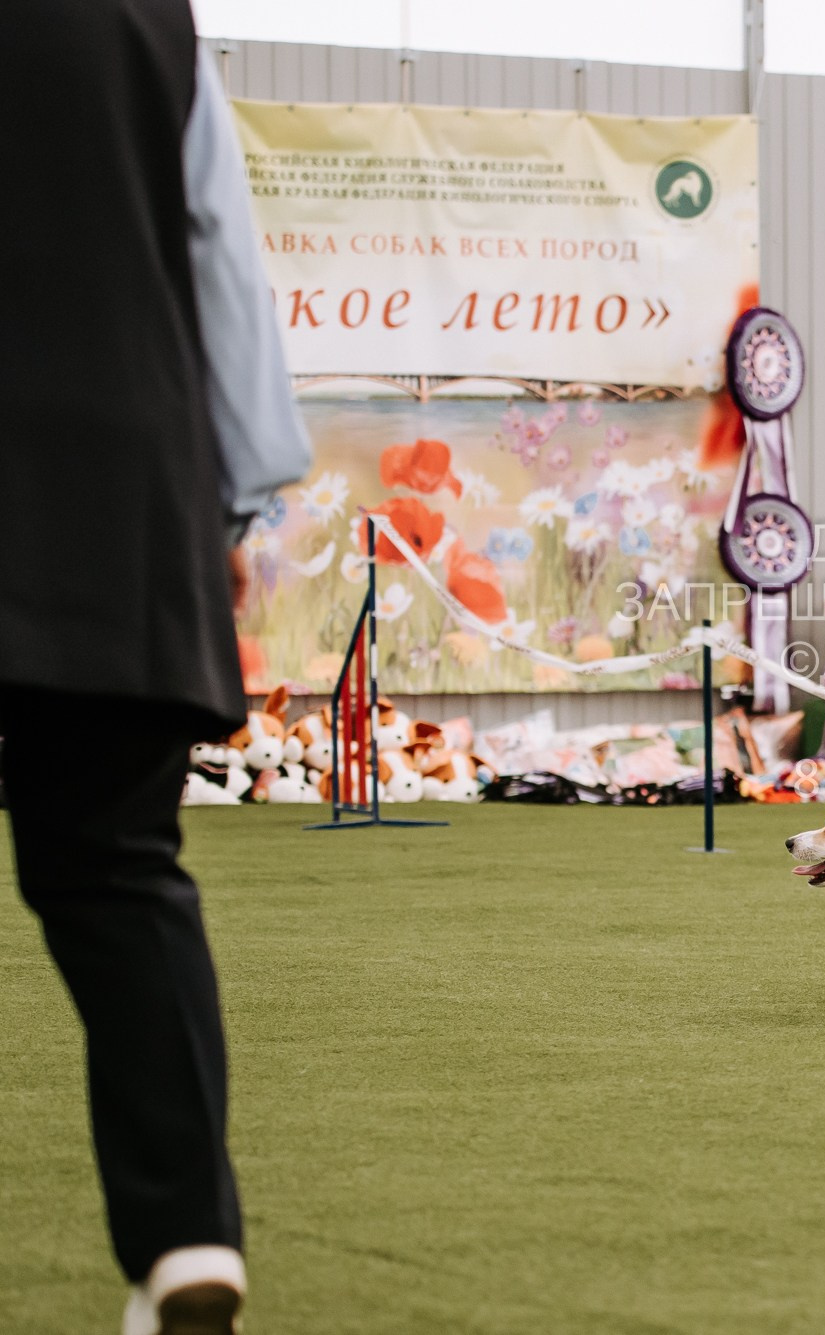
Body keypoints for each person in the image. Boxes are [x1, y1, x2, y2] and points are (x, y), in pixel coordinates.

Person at [2, 3, 312, 1331]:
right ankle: (188, 1238)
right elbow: (221, 262)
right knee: (120, 864)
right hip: (116, 492)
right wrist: (238, 504)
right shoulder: (152, 24)